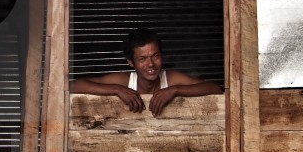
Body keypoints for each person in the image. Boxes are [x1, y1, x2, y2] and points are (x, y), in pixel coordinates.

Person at [69, 27, 222, 117]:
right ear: (131, 62)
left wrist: (175, 90)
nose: (150, 64)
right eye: (142, 59)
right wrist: (116, 89)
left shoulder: (172, 78)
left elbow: (215, 89)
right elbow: (75, 86)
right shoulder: (124, 81)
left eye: (155, 56)